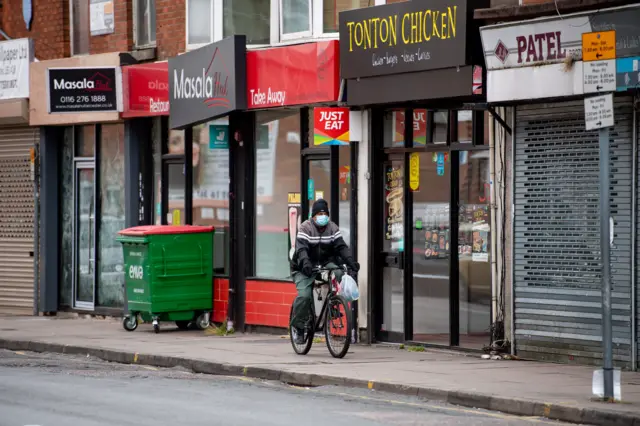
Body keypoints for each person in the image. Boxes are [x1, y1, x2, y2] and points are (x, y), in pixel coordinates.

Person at [290, 199, 359, 344]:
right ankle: (299, 328)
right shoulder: (305, 228)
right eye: (320, 213)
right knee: (304, 296)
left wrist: (351, 261)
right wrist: (306, 263)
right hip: (303, 267)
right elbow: (301, 249)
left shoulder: (332, 227)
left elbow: (341, 247)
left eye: (325, 213)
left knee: (339, 273)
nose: (323, 216)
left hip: (325, 263)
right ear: (313, 215)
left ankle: (333, 304)